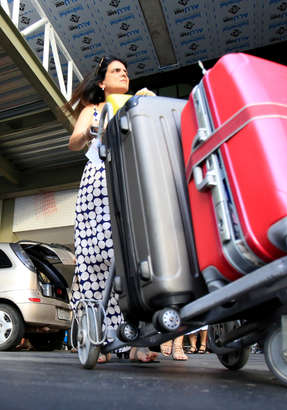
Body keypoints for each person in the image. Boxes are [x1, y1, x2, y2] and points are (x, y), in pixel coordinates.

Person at [67, 55, 157, 363]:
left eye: (126, 71)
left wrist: (147, 103)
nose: (124, 75)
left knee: (132, 259)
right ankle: (98, 337)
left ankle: (137, 342)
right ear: (102, 82)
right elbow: (74, 142)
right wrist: (93, 127)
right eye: (116, 71)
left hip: (129, 178)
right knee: (96, 259)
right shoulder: (93, 109)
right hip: (98, 184)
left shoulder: (136, 103)